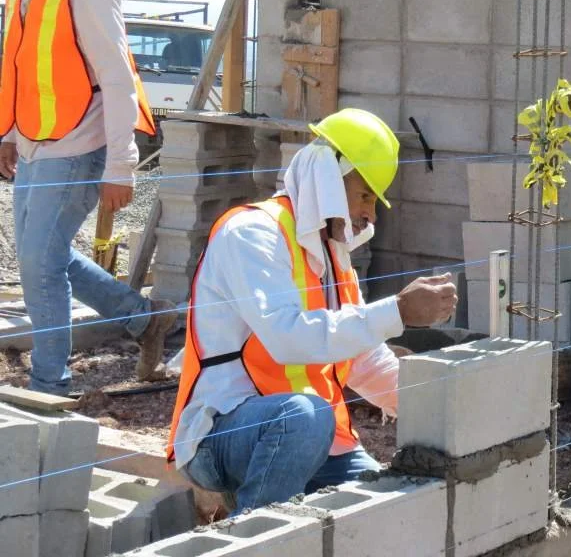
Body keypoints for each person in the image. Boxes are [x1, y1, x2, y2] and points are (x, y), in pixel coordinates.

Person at [166, 107, 458, 515]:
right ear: (329, 180)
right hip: (222, 434)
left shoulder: (335, 260)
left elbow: (366, 363)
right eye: (365, 196)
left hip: (317, 439)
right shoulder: (253, 234)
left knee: (387, 511)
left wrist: (444, 403)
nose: (370, 215)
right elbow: (288, 338)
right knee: (305, 415)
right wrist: (398, 311)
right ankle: (255, 539)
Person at [0, 0, 174, 393]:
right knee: (46, 256)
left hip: (79, 146)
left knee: (40, 266)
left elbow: (119, 80)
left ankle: (51, 382)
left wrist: (120, 167)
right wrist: (7, 134)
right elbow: (19, 62)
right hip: (32, 143)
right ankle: (144, 321)